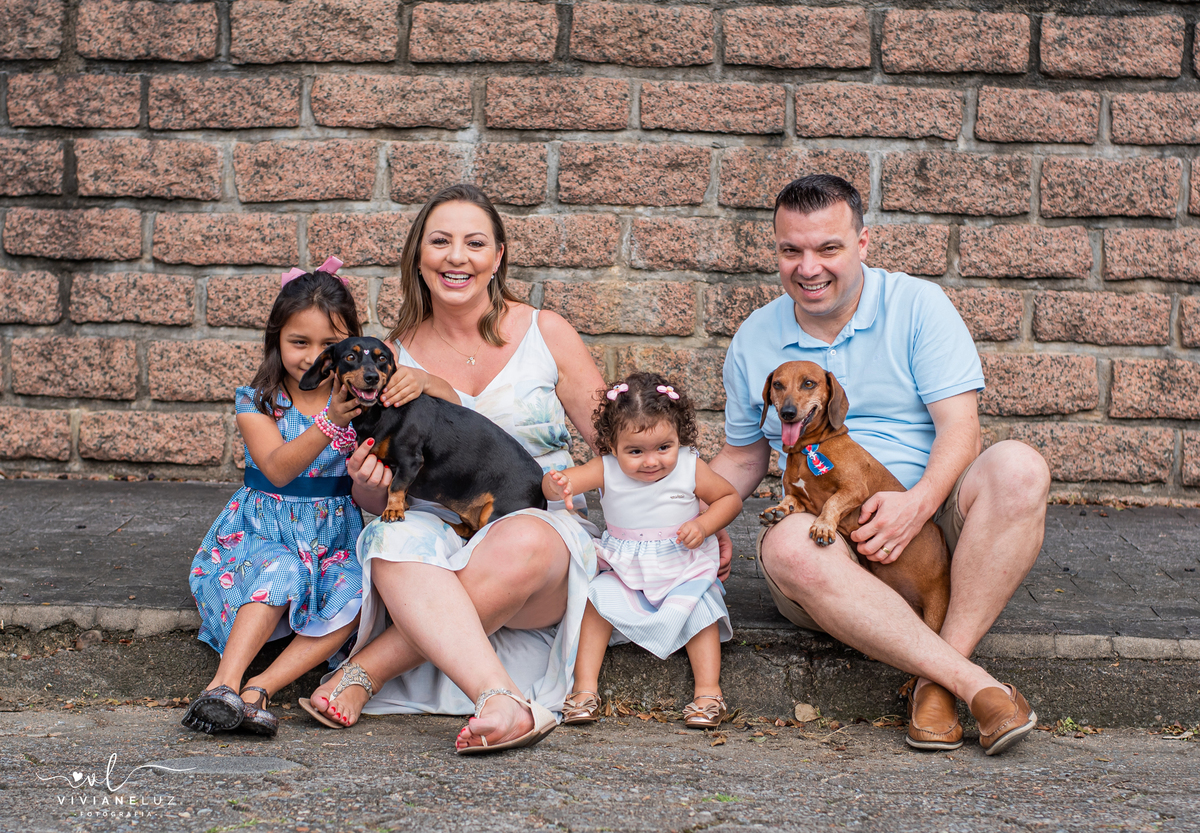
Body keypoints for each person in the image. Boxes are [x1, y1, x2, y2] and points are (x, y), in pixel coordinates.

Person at [710, 174, 1051, 756]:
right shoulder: (754, 340)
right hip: (827, 539)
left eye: (828, 248)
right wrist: (698, 518)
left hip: (926, 520)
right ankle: (968, 685)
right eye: (791, 250)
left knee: (1019, 467)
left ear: (863, 243)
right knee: (792, 546)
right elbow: (745, 455)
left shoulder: (918, 305)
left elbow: (961, 430)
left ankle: (934, 679)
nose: (808, 267)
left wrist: (916, 506)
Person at [303, 183, 606, 754]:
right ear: (419, 257)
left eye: (474, 243)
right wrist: (370, 487)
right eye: (440, 242)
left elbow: (622, 445)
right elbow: (375, 496)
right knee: (393, 540)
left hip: (535, 525)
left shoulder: (548, 332)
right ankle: (499, 698)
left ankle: (364, 670)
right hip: (433, 529)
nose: (456, 257)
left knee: (518, 539)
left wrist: (680, 520)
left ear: (498, 257)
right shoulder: (384, 356)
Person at [183, 261, 367, 737]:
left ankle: (257, 691)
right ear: (277, 339)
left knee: (358, 590)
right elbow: (280, 468)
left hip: (333, 537)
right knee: (280, 569)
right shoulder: (257, 400)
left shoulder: (364, 401)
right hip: (263, 531)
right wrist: (331, 421)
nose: (313, 357)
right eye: (299, 342)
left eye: (330, 345)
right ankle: (221, 685)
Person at [542, 372, 743, 729]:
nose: (651, 461)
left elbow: (729, 498)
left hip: (681, 562)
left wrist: (704, 524)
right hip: (626, 566)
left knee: (702, 610)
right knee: (597, 602)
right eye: (635, 451)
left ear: (678, 437)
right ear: (611, 445)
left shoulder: (689, 466)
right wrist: (556, 484)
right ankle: (584, 689)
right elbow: (564, 482)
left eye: (663, 447)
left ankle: (709, 694)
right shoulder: (605, 468)